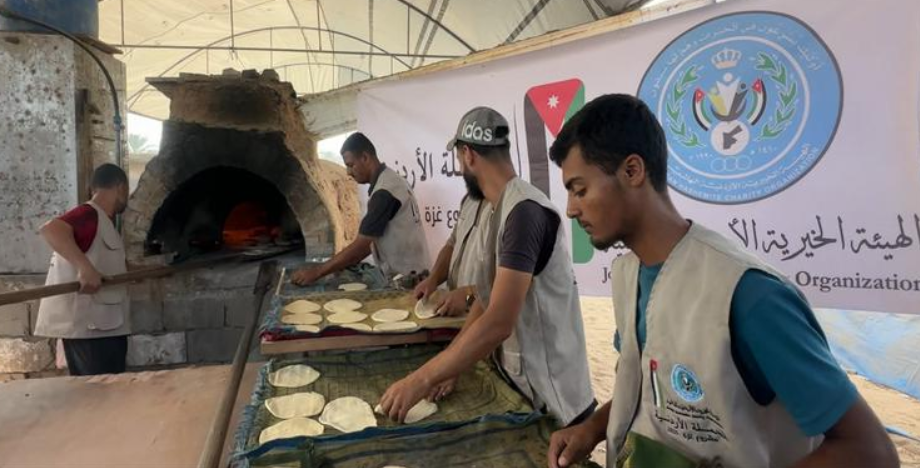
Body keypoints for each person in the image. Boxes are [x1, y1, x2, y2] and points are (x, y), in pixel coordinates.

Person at [545, 94, 899, 468]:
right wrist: (592, 428)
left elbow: (870, 451)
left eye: (580, 189)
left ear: (632, 171)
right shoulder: (626, 275)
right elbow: (647, 388)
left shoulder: (749, 295)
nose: (571, 209)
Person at [379, 107, 595, 427]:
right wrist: (451, 365)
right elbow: (486, 298)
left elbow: (498, 322)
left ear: (468, 155)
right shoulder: (500, 209)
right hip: (525, 388)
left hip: (556, 401)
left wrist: (420, 380)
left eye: (459, 158)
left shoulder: (524, 213)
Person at [292, 132, 430, 285]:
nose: (348, 172)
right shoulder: (391, 181)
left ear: (365, 157)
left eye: (351, 165)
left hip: (410, 280)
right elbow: (370, 242)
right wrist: (340, 263)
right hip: (413, 274)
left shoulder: (385, 192)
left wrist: (317, 272)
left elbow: (361, 246)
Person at [34, 164, 131, 376]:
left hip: (104, 326)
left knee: (110, 389)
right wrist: (85, 269)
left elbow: (101, 260)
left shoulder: (104, 222)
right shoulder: (89, 214)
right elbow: (51, 229)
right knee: (96, 391)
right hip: (89, 329)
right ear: (120, 187)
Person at [411, 192, 490, 317]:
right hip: (455, 313)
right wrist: (433, 278)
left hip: (486, 318)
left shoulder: (513, 207)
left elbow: (512, 286)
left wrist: (468, 294)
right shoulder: (470, 199)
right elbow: (452, 243)